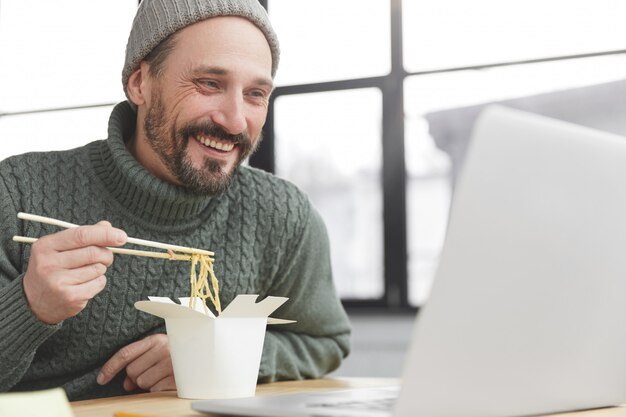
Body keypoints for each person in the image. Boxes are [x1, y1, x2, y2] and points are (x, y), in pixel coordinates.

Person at [0, 0, 351, 400]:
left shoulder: (283, 215)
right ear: (139, 83)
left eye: (255, 93)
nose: (235, 120)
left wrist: (220, 355)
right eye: (209, 84)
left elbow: (325, 342)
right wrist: (30, 307)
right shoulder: (16, 193)